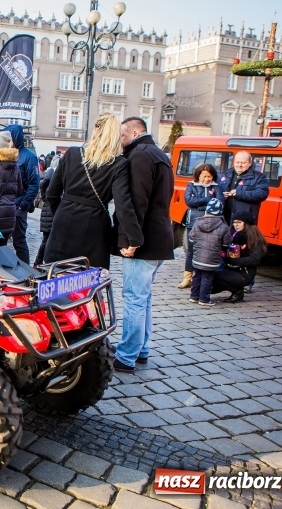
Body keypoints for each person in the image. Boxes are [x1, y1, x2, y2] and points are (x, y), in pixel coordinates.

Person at [113, 116, 174, 374]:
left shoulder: (139, 155)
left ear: (136, 132)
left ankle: (126, 354)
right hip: (160, 236)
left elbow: (137, 203)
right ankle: (142, 348)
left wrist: (131, 240)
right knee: (144, 297)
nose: (121, 141)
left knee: (135, 298)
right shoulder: (160, 154)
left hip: (145, 239)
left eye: (123, 136)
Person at [43, 114, 143, 270]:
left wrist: (61, 212)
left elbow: (51, 193)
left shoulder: (72, 154)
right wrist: (134, 237)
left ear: (96, 129)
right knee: (88, 278)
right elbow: (123, 204)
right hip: (95, 224)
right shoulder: (119, 164)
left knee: (56, 274)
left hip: (64, 219)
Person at [179, 164, 222, 288]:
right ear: (198, 176)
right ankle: (187, 277)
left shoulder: (216, 187)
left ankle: (201, 278)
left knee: (208, 250)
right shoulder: (191, 185)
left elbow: (219, 202)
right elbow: (189, 201)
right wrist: (208, 200)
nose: (207, 179)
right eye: (204, 176)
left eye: (209, 176)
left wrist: (199, 203)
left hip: (212, 224)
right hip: (193, 222)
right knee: (191, 251)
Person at [212, 211, 266, 303]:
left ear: (246, 223)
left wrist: (236, 261)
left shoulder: (254, 239)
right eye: (234, 222)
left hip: (244, 273)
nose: (236, 225)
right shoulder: (231, 235)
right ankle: (236, 290)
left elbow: (255, 259)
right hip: (230, 269)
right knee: (209, 283)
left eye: (239, 222)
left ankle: (237, 291)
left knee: (216, 275)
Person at [4, 124, 39, 264]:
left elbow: (34, 184)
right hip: (4, 205)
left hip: (18, 205)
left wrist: (23, 205)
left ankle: (26, 273)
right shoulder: (5, 155)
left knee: (19, 241)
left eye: (9, 138)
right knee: (0, 242)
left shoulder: (28, 157)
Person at [189, 198, 231, 307]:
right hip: (211, 259)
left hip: (197, 256)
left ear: (207, 211)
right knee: (207, 278)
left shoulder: (198, 222)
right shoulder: (223, 226)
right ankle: (204, 299)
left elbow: (191, 238)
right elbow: (227, 243)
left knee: (197, 276)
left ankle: (194, 296)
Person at [217, 150, 269, 225]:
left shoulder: (259, 177)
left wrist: (238, 193)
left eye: (243, 163)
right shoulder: (224, 174)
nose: (239, 165)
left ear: (250, 163)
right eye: (237, 162)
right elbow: (213, 190)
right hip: (223, 218)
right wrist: (221, 195)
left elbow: (261, 194)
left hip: (244, 220)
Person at [34, 164, 55, 268]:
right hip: (50, 217)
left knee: (45, 241)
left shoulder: (45, 190)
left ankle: (38, 261)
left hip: (46, 218)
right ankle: (41, 262)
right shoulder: (52, 189)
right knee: (47, 241)